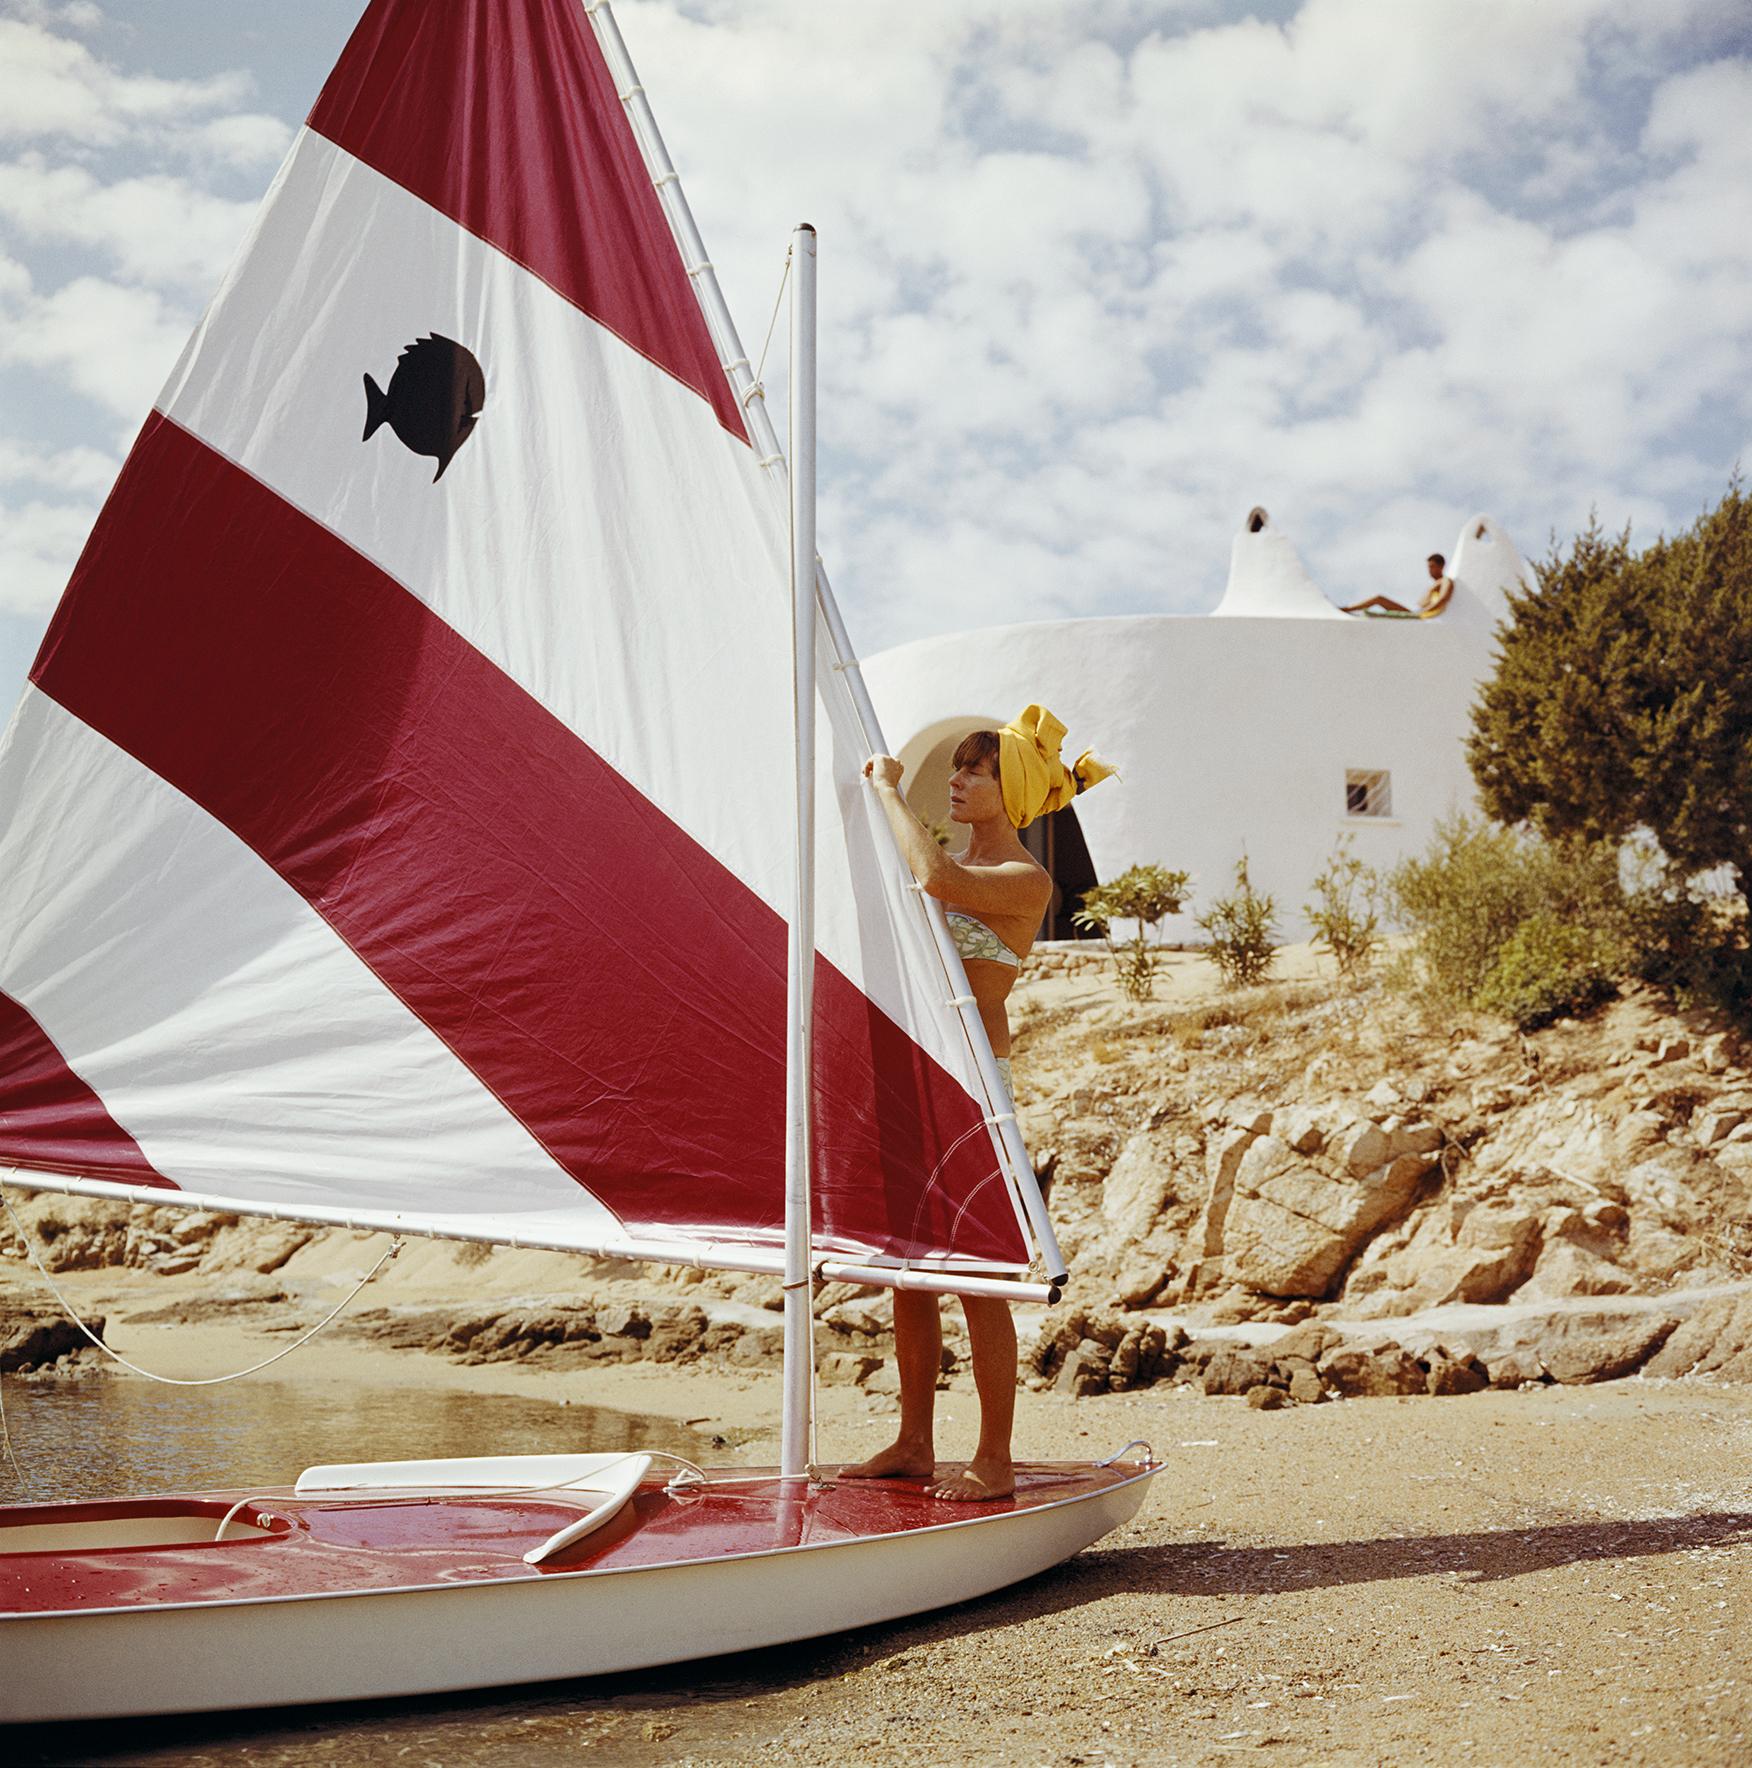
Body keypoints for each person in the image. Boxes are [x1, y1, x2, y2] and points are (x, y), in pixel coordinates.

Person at [847, 705, 1113, 1501]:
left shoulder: (1026, 879)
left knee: (980, 1274)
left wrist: (888, 789)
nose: (957, 780)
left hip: (976, 1084)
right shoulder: (936, 857)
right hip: (919, 1075)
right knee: (911, 1271)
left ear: (1011, 790)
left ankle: (994, 1456)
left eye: (975, 770)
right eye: (957, 768)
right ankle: (914, 1440)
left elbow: (938, 880)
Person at [1343, 552, 1454, 618]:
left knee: (1379, 599)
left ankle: (1347, 609)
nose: (1429, 570)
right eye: (1429, 567)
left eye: (1432, 567)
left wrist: (1425, 611)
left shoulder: (1445, 581)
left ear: (1442, 566)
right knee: (1379, 601)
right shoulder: (1436, 583)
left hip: (1417, 613)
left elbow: (1443, 599)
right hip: (1416, 611)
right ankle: (1349, 610)